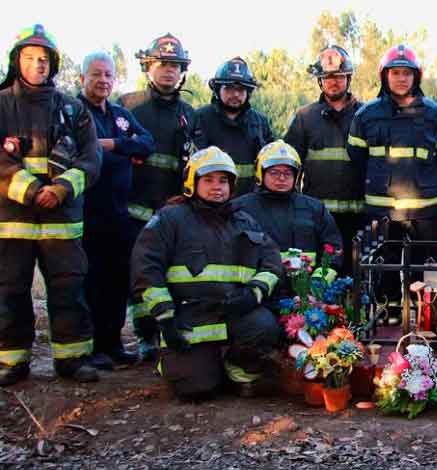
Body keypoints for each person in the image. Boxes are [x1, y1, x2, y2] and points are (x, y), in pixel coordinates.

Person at [130, 146, 282, 400]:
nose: (217, 187)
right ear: (192, 182)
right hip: (188, 316)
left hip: (234, 311)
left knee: (265, 325)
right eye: (208, 180)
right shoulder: (170, 218)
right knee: (196, 391)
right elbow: (145, 268)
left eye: (223, 181)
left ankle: (237, 367)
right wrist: (165, 319)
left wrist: (253, 293)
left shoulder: (243, 220)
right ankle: (172, 361)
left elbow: (271, 261)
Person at [0, 25, 102, 385]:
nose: (38, 64)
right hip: (13, 221)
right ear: (17, 62)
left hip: (62, 220)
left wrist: (61, 188)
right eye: (29, 58)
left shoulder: (73, 109)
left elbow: (91, 158)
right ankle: (12, 361)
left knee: (68, 289)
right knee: (9, 290)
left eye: (44, 59)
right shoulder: (1, 105)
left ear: (54, 65)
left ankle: (72, 359)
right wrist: (30, 191)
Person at [346, 44, 437, 319]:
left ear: (417, 77)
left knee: (426, 269)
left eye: (407, 73)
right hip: (382, 210)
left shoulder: (436, 114)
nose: (401, 78)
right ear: (385, 76)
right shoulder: (366, 115)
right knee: (385, 270)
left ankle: (426, 316)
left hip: (426, 211)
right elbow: (357, 159)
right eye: (396, 73)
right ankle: (388, 315)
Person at [122, 33, 199, 362]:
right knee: (139, 275)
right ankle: (145, 337)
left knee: (171, 273)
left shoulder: (189, 113)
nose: (168, 71)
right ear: (148, 67)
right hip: (130, 209)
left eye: (175, 66)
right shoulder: (127, 106)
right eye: (162, 64)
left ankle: (168, 332)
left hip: (173, 211)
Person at [78, 51, 155, 370]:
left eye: (108, 75)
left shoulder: (121, 115)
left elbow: (147, 142)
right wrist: (119, 147)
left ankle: (111, 344)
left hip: (119, 214)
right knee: (90, 282)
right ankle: (90, 347)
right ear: (82, 78)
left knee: (116, 281)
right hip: (85, 212)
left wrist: (113, 145)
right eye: (96, 74)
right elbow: (82, 151)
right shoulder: (72, 111)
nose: (103, 80)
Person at [284, 45, 363, 277]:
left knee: (355, 276)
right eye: (327, 77)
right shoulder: (305, 117)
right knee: (319, 273)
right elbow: (290, 163)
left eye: (339, 76)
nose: (333, 82)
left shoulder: (366, 114)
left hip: (357, 217)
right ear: (320, 81)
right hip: (316, 215)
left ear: (348, 78)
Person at [232, 141, 342, 304]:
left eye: (288, 173)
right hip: (257, 295)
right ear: (260, 173)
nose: (281, 178)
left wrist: (316, 287)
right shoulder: (240, 208)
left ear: (296, 176)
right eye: (274, 172)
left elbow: (333, 251)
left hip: (307, 297)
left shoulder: (314, 208)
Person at [193, 57, 273, 195]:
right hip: (211, 201)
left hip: (250, 202)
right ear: (217, 89)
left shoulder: (260, 122)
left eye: (241, 89)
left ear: (248, 93)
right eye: (229, 88)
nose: (235, 94)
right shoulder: (199, 118)